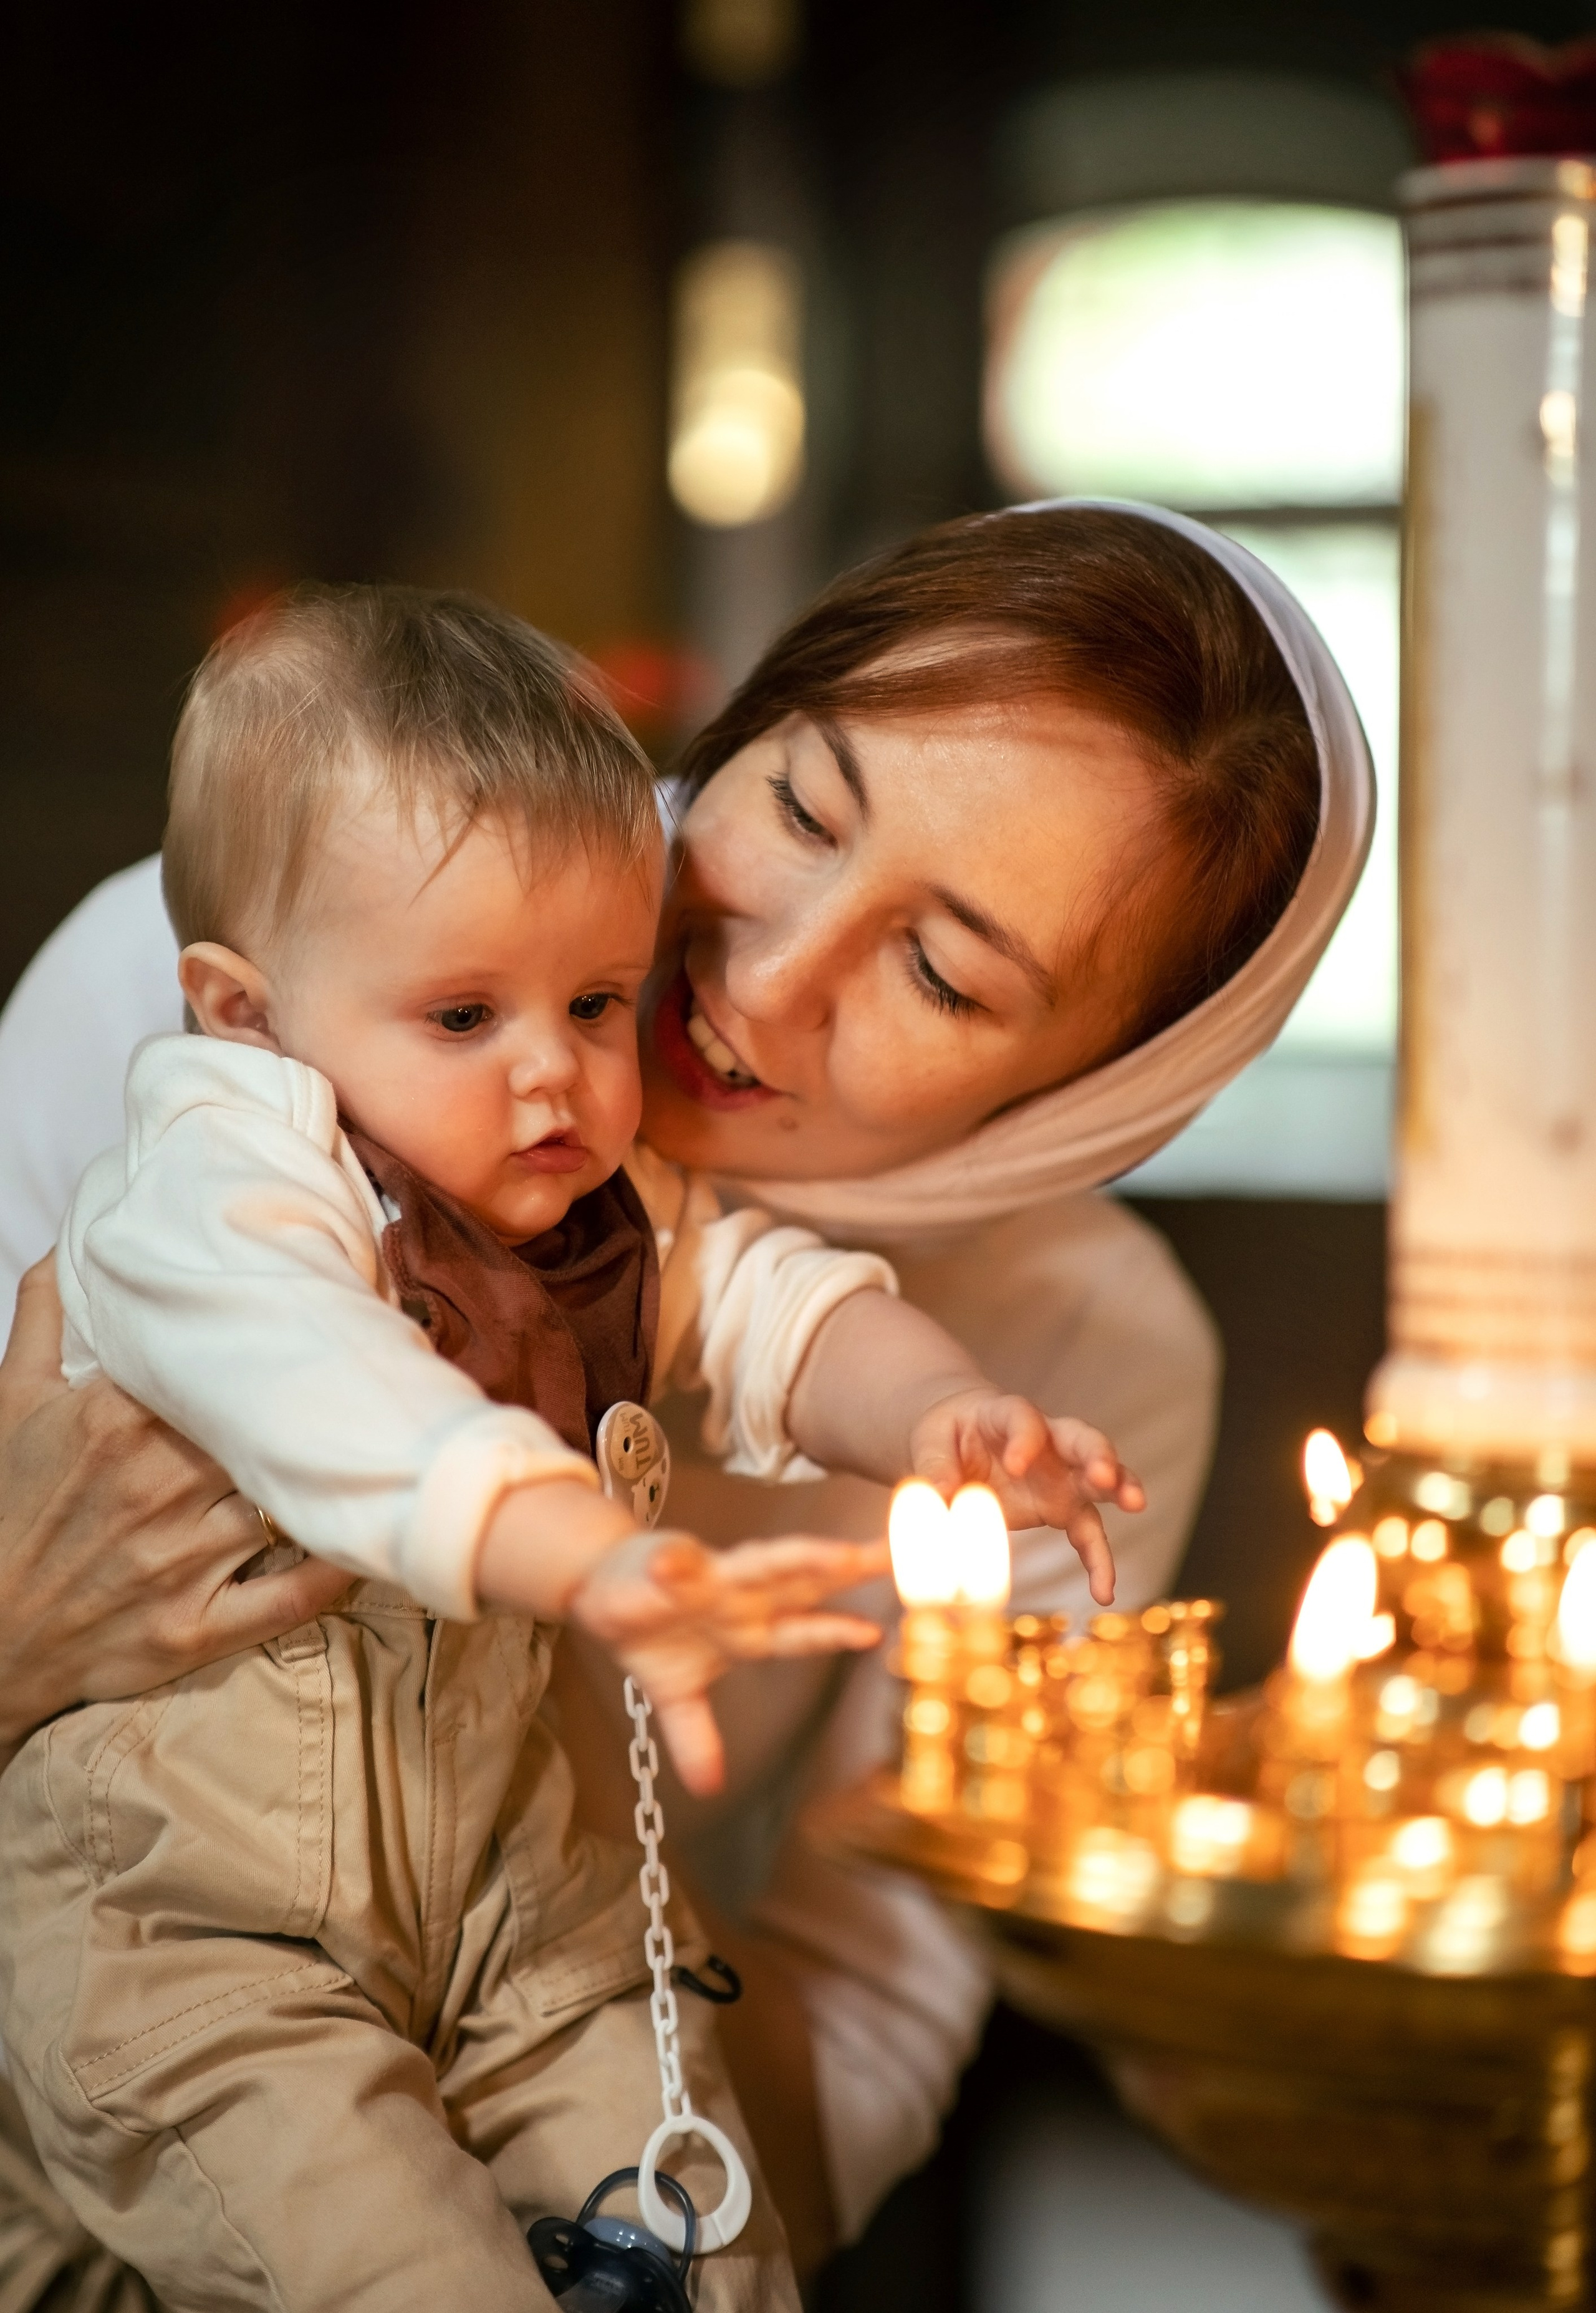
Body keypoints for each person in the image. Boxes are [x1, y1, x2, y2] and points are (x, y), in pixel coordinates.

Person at [0, 503, 1373, 2297]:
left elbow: (869, 1988)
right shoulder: (227, 995)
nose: (756, 979)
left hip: (582, 1977)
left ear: (1092, 1100)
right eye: (801, 806)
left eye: (943, 974)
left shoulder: (1077, 1356)